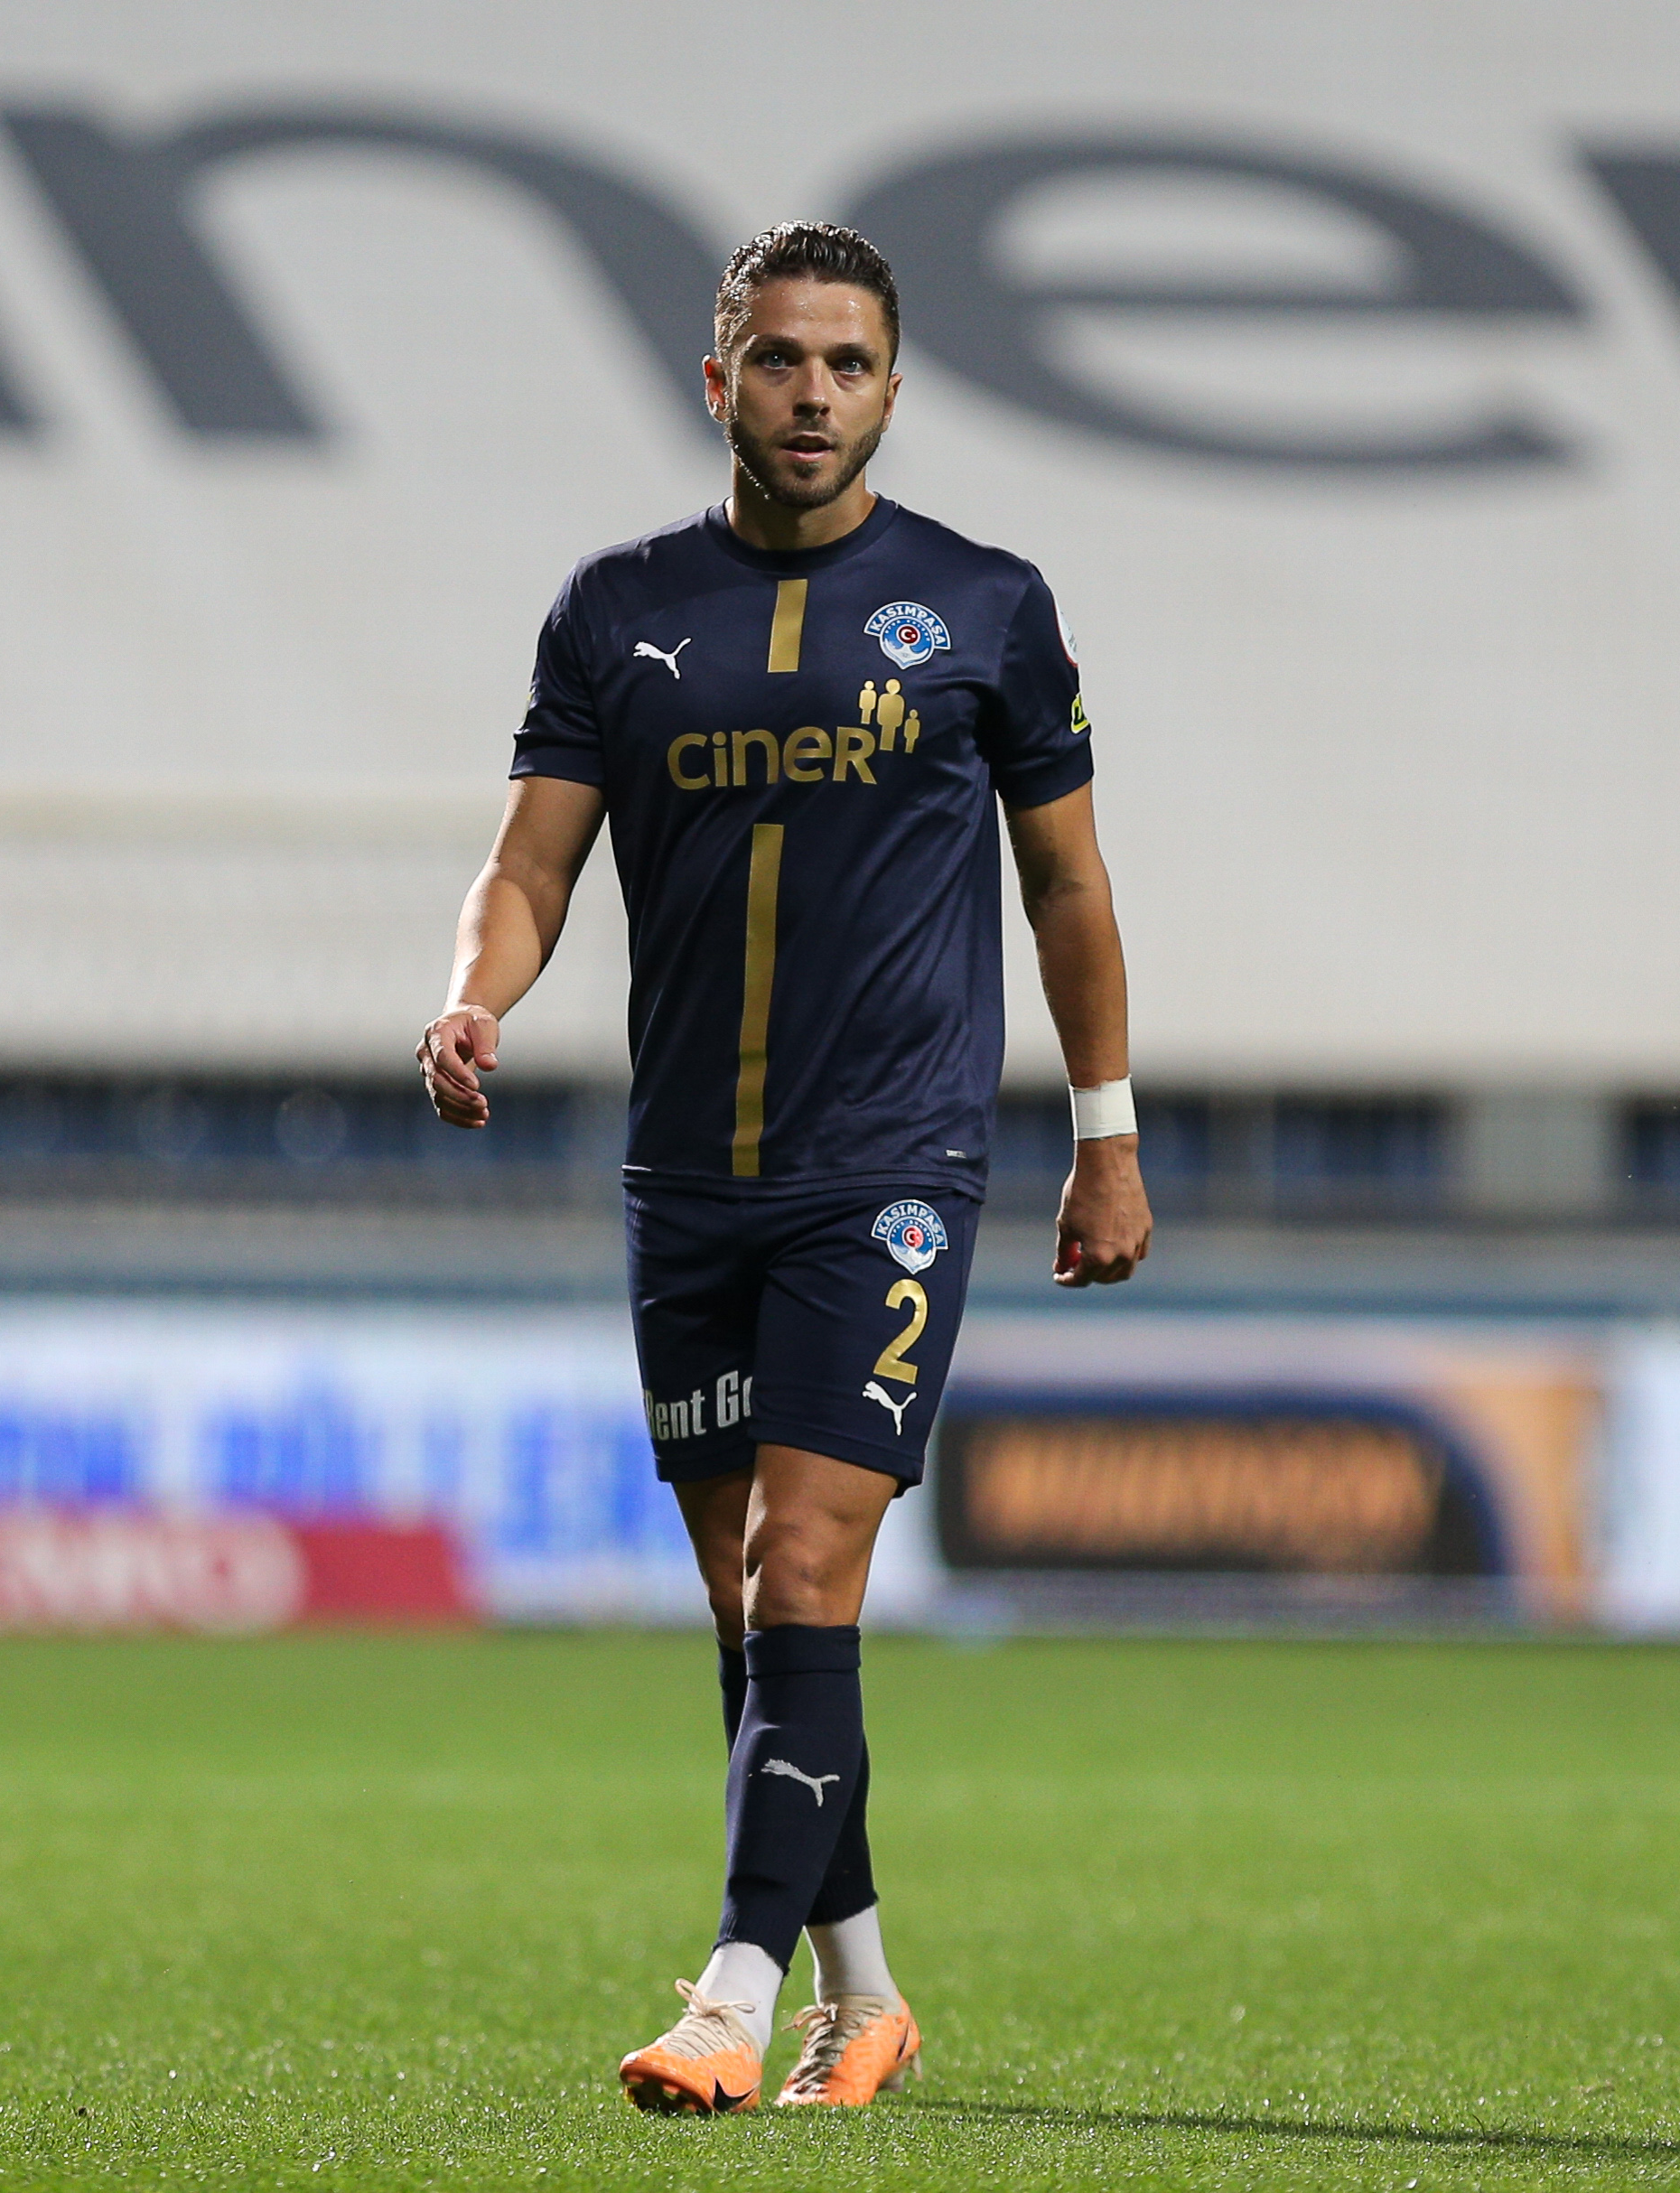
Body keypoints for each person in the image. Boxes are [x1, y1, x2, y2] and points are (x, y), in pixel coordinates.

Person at [417, 222, 1152, 2114]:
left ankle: (730, 1997)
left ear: (892, 389)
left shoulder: (983, 605)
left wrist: (1103, 1133)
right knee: (754, 1615)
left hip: (888, 1163)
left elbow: (1066, 885)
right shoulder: (615, 607)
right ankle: (867, 1992)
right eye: (776, 359)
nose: (810, 394)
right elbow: (529, 863)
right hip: (687, 1173)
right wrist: (475, 995)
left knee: (807, 1558)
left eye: (845, 364)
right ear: (716, 378)